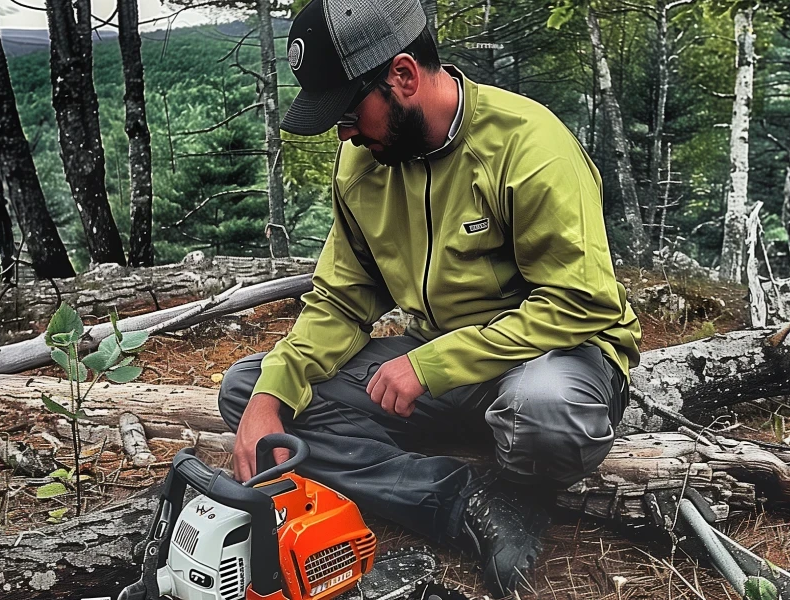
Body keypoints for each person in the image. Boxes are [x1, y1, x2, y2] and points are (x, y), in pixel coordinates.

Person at [218, 0, 641, 596]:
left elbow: (581, 303)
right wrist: (272, 391)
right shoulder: (365, 165)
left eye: (347, 112)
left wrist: (430, 364)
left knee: (546, 413)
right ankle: (465, 503)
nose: (343, 133)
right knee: (250, 390)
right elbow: (341, 301)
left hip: (553, 357)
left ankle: (521, 478)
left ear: (404, 76)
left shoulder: (528, 146)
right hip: (440, 367)